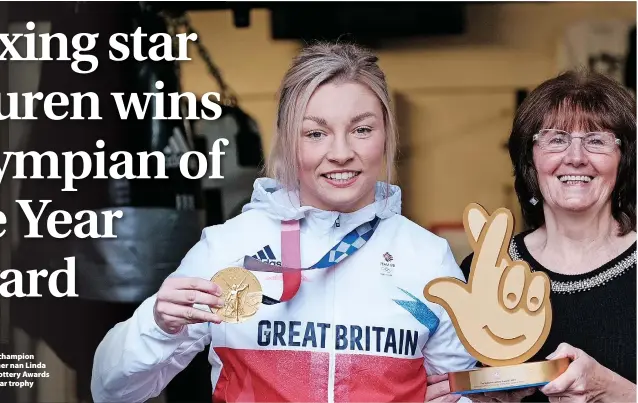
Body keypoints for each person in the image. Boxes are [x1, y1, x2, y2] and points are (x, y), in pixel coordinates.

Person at [91, 42, 477, 403]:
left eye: (361, 129)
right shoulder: (228, 247)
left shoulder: (426, 258)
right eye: (315, 133)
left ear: (386, 135)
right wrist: (158, 325)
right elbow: (111, 391)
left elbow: (455, 392)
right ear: (288, 139)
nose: (341, 152)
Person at [461, 70, 636, 403]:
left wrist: (612, 391)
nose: (575, 157)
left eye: (596, 140)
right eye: (556, 139)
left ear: (623, 159)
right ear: (530, 159)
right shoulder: (484, 269)